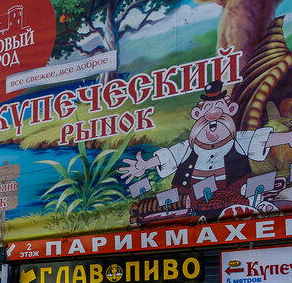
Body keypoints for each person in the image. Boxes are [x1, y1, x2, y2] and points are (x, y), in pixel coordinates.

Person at [121, 81, 292, 200]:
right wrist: (144, 165)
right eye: (208, 108)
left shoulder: (238, 140)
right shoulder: (188, 147)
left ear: (231, 110)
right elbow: (167, 157)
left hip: (231, 199)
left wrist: (287, 137)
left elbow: (262, 139)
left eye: (219, 108)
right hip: (190, 201)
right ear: (197, 115)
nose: (213, 114)